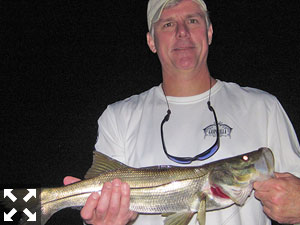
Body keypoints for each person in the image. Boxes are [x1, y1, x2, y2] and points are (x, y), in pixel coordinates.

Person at [64, 0, 300, 224]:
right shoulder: (118, 117)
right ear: (151, 41)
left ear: (209, 32)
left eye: (193, 20)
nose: (182, 32)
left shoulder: (263, 108)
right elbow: (101, 213)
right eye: (168, 24)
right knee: (31, 209)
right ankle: (29, 209)